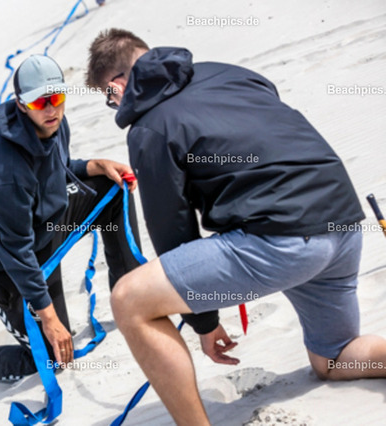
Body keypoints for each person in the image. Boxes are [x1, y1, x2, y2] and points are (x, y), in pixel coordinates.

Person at [85, 28, 386, 425]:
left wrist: (204, 321)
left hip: (284, 239)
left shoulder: (149, 127)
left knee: (128, 300)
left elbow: (171, 228)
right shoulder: (228, 71)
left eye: (109, 97)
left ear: (118, 85)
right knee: (334, 359)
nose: (114, 105)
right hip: (342, 219)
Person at [0, 54, 142, 385]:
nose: (51, 109)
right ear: (21, 105)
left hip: (43, 228)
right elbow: (14, 250)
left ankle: (132, 297)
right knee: (53, 357)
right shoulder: (4, 173)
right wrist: (48, 317)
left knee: (114, 188)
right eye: (40, 102)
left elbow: (56, 170)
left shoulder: (53, 123)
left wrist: (94, 166)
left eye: (57, 97)